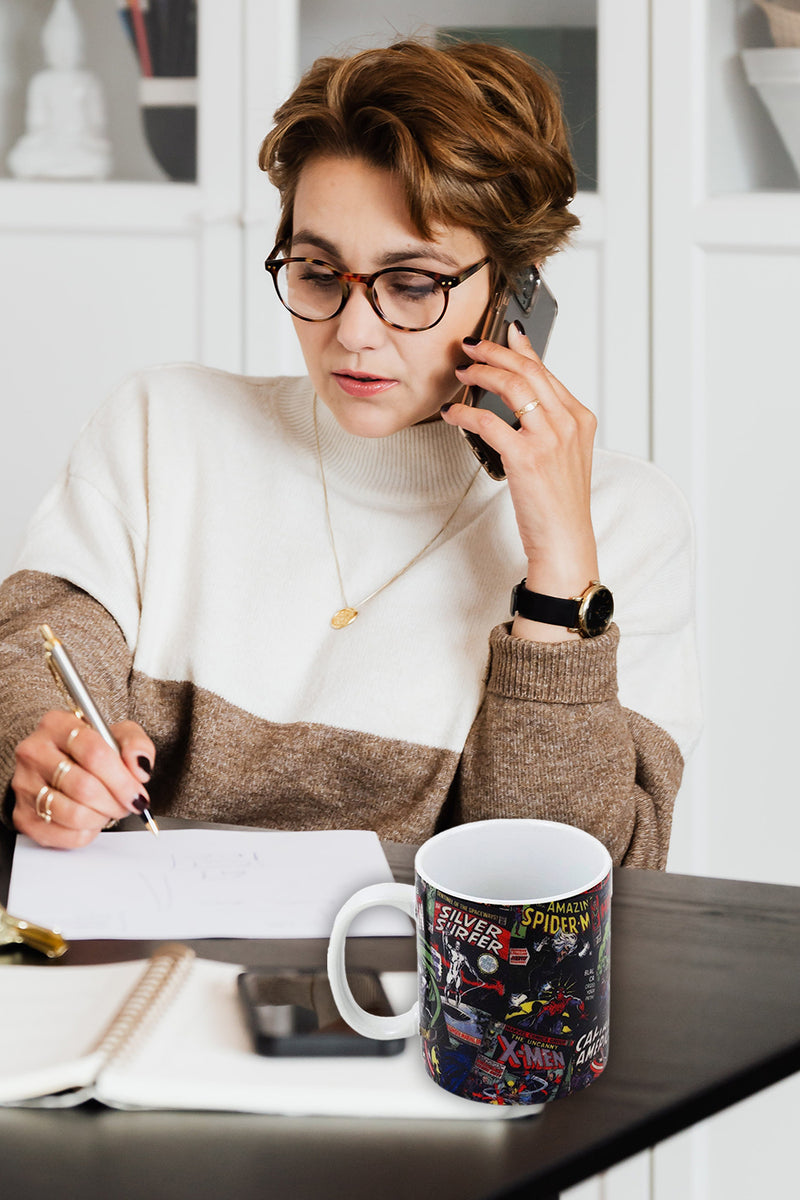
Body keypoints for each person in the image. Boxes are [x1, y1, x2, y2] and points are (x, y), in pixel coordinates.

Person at [0, 39, 701, 864]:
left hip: (420, 996)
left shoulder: (623, 525)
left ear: (518, 287)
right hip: (147, 970)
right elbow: (34, 648)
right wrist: (46, 748)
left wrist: (556, 576)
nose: (353, 334)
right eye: (317, 270)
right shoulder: (164, 428)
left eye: (412, 284)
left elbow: (567, 879)